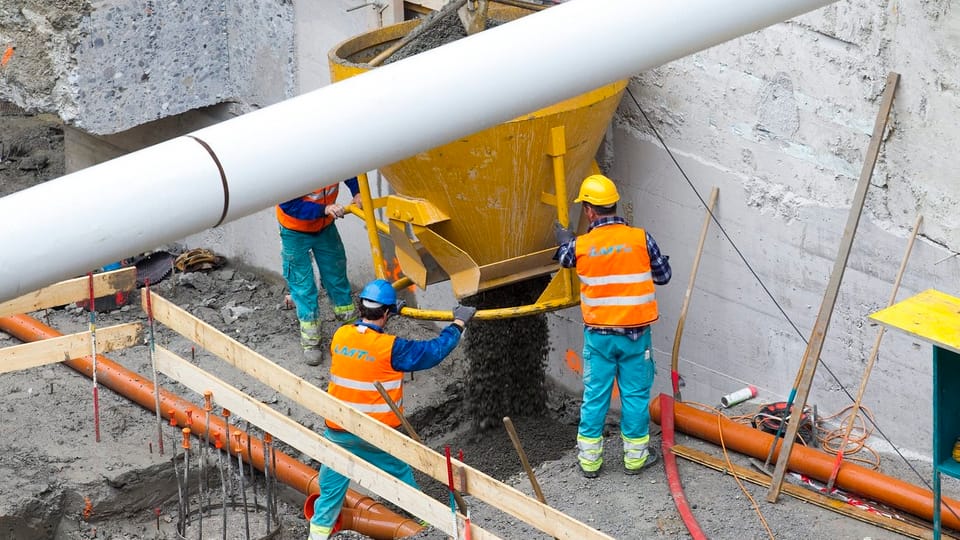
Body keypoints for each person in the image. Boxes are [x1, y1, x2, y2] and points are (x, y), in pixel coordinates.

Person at [308, 279, 477, 540]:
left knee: (329, 493)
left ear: (360, 307)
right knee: (402, 479)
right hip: (377, 435)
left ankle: (317, 534)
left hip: (339, 432)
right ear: (387, 313)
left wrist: (386, 311)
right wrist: (458, 324)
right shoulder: (392, 349)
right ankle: (431, 525)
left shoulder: (341, 335)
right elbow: (433, 352)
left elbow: (363, 342)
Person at [554, 173, 671, 478]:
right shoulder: (641, 239)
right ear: (615, 205)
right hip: (635, 337)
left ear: (590, 211)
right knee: (634, 395)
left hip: (599, 338)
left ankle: (590, 462)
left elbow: (563, 257)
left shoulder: (581, 246)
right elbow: (663, 276)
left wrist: (564, 238)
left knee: (596, 396)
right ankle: (635, 459)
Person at [277, 178, 363, 366]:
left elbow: (350, 167)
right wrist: (323, 210)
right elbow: (288, 204)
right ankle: (311, 343)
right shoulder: (290, 166)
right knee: (303, 287)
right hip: (295, 231)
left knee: (336, 275)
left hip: (324, 227)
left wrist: (357, 191)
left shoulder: (332, 154)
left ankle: (352, 328)